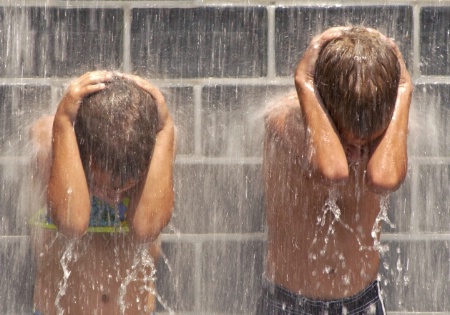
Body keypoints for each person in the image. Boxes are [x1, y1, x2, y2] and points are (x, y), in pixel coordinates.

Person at [258, 26, 412, 314]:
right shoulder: (285, 120)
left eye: (364, 142)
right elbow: (333, 171)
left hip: (360, 302)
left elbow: (383, 179)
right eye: (348, 136)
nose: (357, 150)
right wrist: (303, 81)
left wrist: (404, 89)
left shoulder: (380, 121)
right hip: (289, 303)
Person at [29, 71, 175, 315]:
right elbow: (72, 223)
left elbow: (145, 228)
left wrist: (167, 126)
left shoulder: (154, 143)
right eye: (102, 185)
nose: (115, 197)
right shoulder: (50, 140)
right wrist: (64, 120)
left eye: (126, 186)